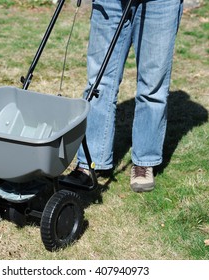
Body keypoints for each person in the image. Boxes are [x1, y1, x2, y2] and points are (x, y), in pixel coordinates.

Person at [63, 0, 184, 192]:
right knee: (98, 82)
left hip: (159, 5)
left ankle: (144, 161)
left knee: (152, 86)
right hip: (110, 3)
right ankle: (90, 162)